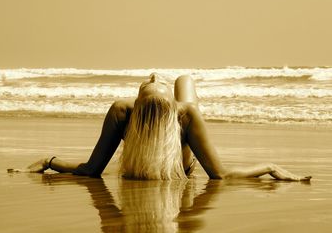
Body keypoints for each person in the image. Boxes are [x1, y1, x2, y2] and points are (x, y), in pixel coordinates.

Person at [22, 73, 311, 181]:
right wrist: (269, 166)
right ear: (173, 108)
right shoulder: (185, 113)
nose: (154, 74)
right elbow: (221, 174)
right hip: (179, 169)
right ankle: (180, 85)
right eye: (154, 81)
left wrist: (50, 161)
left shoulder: (122, 110)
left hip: (156, 164)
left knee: (183, 85)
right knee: (185, 80)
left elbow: (90, 169)